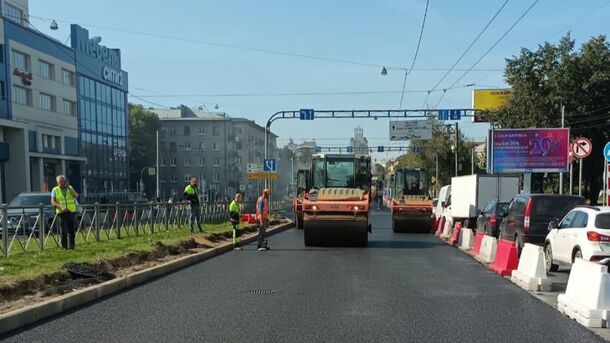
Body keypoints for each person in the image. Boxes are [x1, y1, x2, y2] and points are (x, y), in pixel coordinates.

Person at [50, 175, 79, 250]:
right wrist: (60, 206)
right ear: (57, 183)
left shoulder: (70, 188)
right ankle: (65, 247)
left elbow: (76, 195)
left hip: (71, 212)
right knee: (63, 230)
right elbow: (53, 202)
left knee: (72, 230)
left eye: (63, 181)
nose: (62, 183)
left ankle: (72, 246)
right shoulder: (55, 190)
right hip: (61, 212)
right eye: (60, 182)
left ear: (65, 181)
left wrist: (69, 187)